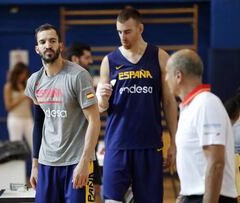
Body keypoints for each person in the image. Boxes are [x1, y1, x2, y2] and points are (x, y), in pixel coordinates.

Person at [95, 7, 178, 203]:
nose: (122, 36)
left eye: (127, 31)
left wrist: (174, 142)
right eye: (119, 32)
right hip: (117, 144)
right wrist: (102, 98)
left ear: (140, 28)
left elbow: (168, 102)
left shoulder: (159, 56)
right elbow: (101, 107)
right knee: (112, 200)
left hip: (149, 145)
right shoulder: (109, 61)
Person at [25, 23, 100, 203]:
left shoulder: (78, 76)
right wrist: (34, 165)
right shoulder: (34, 81)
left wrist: (84, 163)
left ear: (61, 45)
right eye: (43, 42)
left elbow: (94, 121)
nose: (48, 45)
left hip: (77, 163)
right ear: (37, 49)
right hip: (46, 163)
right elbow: (39, 124)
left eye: (52, 40)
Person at [165, 49, 238, 203]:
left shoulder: (205, 104)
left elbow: (216, 163)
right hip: (195, 196)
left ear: (178, 76)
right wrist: (183, 194)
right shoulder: (190, 107)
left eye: (167, 73)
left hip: (212, 197)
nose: (165, 79)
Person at [66, 42, 102, 203]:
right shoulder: (66, 81)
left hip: (88, 150)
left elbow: (95, 115)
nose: (90, 61)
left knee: (95, 193)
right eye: (87, 57)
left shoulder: (86, 80)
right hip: (70, 153)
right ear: (75, 58)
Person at [3, 62, 33, 149]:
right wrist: (22, 97)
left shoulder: (26, 85)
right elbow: (8, 107)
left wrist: (31, 95)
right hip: (15, 119)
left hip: (28, 118)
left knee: (35, 145)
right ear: (17, 73)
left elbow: (30, 104)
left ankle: (35, 163)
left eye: (25, 74)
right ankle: (19, 163)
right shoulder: (8, 86)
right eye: (22, 74)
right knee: (16, 147)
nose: (23, 76)